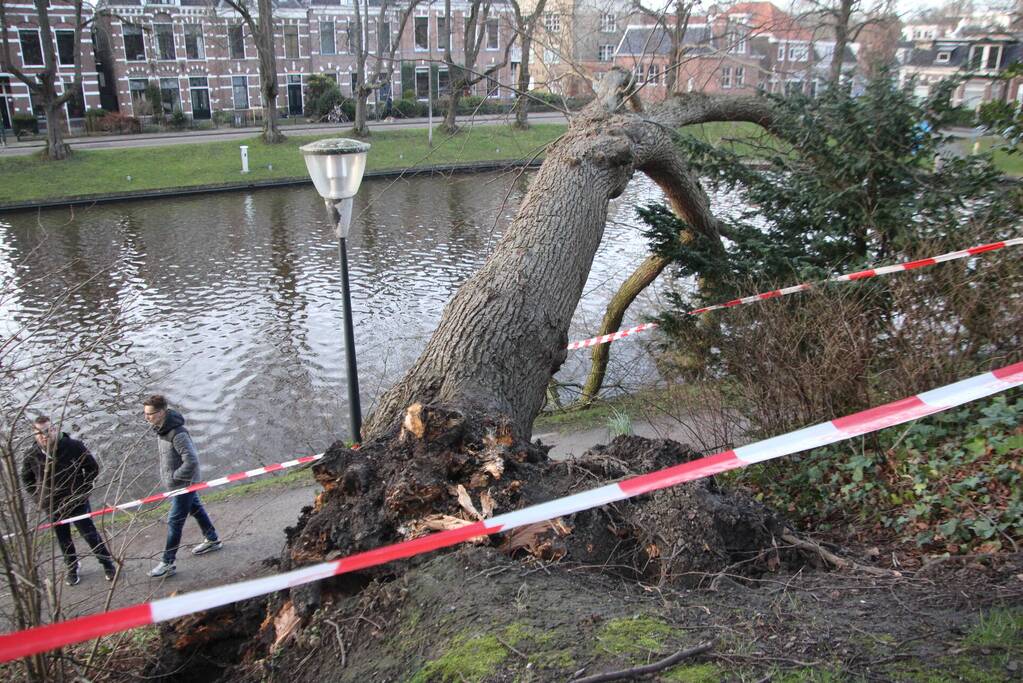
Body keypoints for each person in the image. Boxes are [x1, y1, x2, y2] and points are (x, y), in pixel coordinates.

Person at [21, 416, 117, 586]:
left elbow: (92, 468)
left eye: (47, 431)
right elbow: (26, 479)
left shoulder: (73, 446)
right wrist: (39, 498)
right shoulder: (31, 455)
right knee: (63, 539)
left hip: (77, 502)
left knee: (90, 535)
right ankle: (72, 567)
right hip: (52, 506)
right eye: (39, 433)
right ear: (34, 434)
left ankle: (107, 564)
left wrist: (83, 491)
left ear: (54, 429)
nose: (44, 436)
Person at [143, 395, 222, 578]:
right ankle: (212, 539)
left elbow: (192, 461)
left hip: (184, 485)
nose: (147, 417)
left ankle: (167, 562)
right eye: (145, 414)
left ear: (162, 412)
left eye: (150, 414)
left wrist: (174, 477)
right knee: (196, 508)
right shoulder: (161, 429)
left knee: (174, 521)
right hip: (178, 484)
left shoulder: (177, 434)